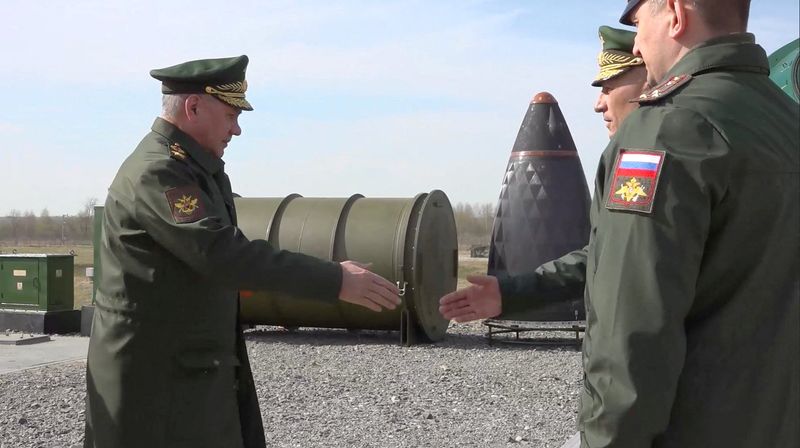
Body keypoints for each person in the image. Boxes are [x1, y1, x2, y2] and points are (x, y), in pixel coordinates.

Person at [442, 0, 800, 446]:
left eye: (638, 22)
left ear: (674, 13)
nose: (638, 41)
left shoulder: (668, 129)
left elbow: (633, 329)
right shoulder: (785, 122)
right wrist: (515, 292)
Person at [84, 55, 401, 448]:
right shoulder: (159, 171)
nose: (237, 129)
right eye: (232, 114)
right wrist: (335, 280)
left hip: (189, 372)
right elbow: (222, 254)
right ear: (194, 106)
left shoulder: (197, 169)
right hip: (157, 381)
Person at [439, 25, 648, 324]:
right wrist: (512, 293)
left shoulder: (666, 152)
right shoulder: (627, 156)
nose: (598, 103)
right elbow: (608, 254)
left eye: (608, 87)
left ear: (647, 80)